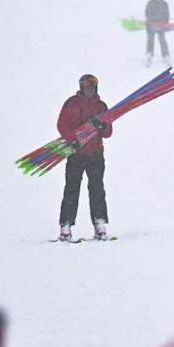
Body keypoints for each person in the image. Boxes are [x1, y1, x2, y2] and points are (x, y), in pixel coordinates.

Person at [57, 73, 113, 240]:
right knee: (71, 189)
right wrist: (73, 139)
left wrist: (102, 125)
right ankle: (65, 225)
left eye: (92, 87)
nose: (90, 90)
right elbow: (61, 125)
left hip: (96, 154)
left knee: (97, 189)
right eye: (87, 87)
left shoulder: (101, 106)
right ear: (82, 88)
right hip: (76, 154)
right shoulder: (71, 104)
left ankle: (99, 223)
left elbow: (109, 132)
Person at [144, 0, 171, 66]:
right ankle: (149, 55)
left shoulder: (164, 4)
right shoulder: (150, 3)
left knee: (162, 40)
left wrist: (166, 24)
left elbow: (167, 15)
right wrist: (152, 20)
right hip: (150, 25)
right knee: (150, 40)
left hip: (161, 25)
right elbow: (147, 13)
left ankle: (165, 55)